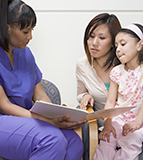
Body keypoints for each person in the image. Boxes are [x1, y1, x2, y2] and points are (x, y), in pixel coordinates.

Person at [0, 0, 85, 160]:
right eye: (25, 32)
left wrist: (58, 115)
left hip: (25, 120)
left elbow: (39, 95)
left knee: (73, 141)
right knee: (52, 139)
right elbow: (5, 106)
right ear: (6, 28)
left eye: (32, 30)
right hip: (3, 121)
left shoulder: (26, 54)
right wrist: (48, 121)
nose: (30, 37)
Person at [93, 23, 143, 160]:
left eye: (123, 44)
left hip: (140, 120)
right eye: (116, 46)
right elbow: (110, 101)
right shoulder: (116, 72)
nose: (118, 49)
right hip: (119, 118)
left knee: (131, 142)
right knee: (106, 141)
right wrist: (107, 124)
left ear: (139, 45)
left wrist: (138, 122)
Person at [76, 13, 121, 160]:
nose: (94, 43)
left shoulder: (125, 63)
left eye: (101, 38)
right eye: (91, 36)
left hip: (131, 125)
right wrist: (85, 96)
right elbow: (80, 92)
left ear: (114, 41)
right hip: (102, 127)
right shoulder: (82, 65)